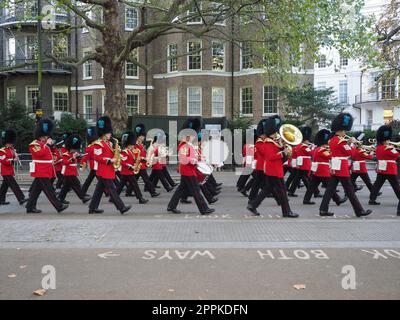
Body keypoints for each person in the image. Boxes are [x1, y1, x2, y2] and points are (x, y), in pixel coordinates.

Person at [319, 113, 372, 217]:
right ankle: (359, 211)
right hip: (342, 167)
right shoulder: (341, 141)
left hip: (335, 166)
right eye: (344, 131)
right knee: (350, 190)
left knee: (330, 190)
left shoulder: (333, 140)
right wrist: (352, 143)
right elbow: (351, 153)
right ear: (342, 130)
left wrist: (348, 143)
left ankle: (323, 209)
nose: (345, 133)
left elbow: (342, 150)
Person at [247, 115, 299, 218]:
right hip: (273, 170)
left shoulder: (273, 142)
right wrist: (283, 152)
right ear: (272, 132)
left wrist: (284, 148)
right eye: (276, 132)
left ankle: (253, 205)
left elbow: (279, 153)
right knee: (282, 192)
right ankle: (287, 212)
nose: (277, 134)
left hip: (274, 169)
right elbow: (271, 156)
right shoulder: (268, 142)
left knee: (267, 189)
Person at [167, 117, 215, 215]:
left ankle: (171, 206)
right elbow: (183, 158)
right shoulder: (184, 144)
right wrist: (193, 160)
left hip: (189, 170)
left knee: (181, 189)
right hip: (188, 170)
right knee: (196, 190)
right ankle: (204, 209)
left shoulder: (189, 145)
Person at [88, 116, 131, 214]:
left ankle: (92, 208)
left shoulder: (108, 143)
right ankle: (121, 207)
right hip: (104, 170)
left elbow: (111, 154)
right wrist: (110, 160)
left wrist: (117, 153)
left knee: (99, 190)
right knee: (112, 189)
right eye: (108, 133)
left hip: (108, 169)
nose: (110, 134)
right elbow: (97, 158)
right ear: (103, 134)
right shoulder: (98, 144)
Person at [26, 119, 68, 214]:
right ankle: (59, 206)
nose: (47, 138)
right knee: (49, 190)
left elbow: (50, 154)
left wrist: (50, 145)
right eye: (45, 136)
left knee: (36, 191)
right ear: (41, 136)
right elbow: (40, 154)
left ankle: (30, 206)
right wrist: (47, 145)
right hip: (41, 170)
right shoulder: (34, 144)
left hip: (45, 170)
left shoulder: (44, 145)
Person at [302, 129, 347, 206]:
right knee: (329, 187)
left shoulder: (317, 149)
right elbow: (330, 156)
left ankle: (306, 199)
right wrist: (334, 150)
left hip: (318, 170)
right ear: (324, 143)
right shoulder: (322, 150)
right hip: (323, 170)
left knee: (312, 186)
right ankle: (337, 199)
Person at [369, 125, 400, 216]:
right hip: (390, 168)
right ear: (386, 139)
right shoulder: (389, 148)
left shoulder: (378, 148)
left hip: (382, 168)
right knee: (396, 186)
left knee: (377, 184)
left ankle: (372, 198)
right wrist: (395, 149)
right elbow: (397, 155)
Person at [58, 134, 91, 204]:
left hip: (72, 172)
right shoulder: (66, 154)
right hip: (69, 172)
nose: (75, 150)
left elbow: (77, 162)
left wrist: (79, 157)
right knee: (76, 185)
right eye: (74, 149)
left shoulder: (73, 153)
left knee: (65, 187)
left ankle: (60, 198)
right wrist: (73, 158)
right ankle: (82, 197)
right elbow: (65, 162)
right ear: (70, 148)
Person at [116, 131, 148, 204]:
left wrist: (139, 160)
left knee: (121, 185)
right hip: (127, 171)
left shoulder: (130, 151)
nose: (133, 146)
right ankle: (140, 198)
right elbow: (122, 162)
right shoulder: (125, 152)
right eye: (132, 145)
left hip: (128, 172)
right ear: (129, 144)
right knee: (135, 184)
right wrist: (130, 166)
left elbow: (133, 159)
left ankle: (113, 197)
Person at [287, 126, 320, 198]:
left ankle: (291, 191)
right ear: (305, 140)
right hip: (305, 164)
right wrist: (313, 147)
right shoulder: (304, 147)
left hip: (301, 163)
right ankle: (315, 192)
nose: (308, 141)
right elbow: (311, 153)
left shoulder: (299, 146)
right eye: (307, 140)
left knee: (297, 178)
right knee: (308, 178)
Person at [0, 129, 27, 206]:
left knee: (4, 187)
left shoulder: (11, 150)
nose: (11, 144)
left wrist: (15, 155)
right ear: (6, 143)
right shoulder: (2, 151)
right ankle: (21, 198)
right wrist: (13, 160)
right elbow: (3, 161)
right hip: (5, 171)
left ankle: (1, 199)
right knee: (14, 185)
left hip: (10, 170)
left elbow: (13, 157)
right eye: (10, 143)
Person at [134, 124, 160, 197]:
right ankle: (152, 192)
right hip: (139, 165)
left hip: (142, 164)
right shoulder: (135, 145)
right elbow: (135, 156)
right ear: (138, 137)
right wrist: (143, 158)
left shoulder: (142, 145)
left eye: (143, 136)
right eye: (141, 136)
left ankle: (128, 191)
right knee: (146, 180)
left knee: (134, 180)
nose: (143, 138)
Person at [81, 126, 98, 195]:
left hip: (97, 165)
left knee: (89, 180)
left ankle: (82, 191)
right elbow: (85, 157)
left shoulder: (96, 145)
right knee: (101, 180)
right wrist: (82, 164)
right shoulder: (90, 147)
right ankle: (108, 191)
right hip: (94, 165)